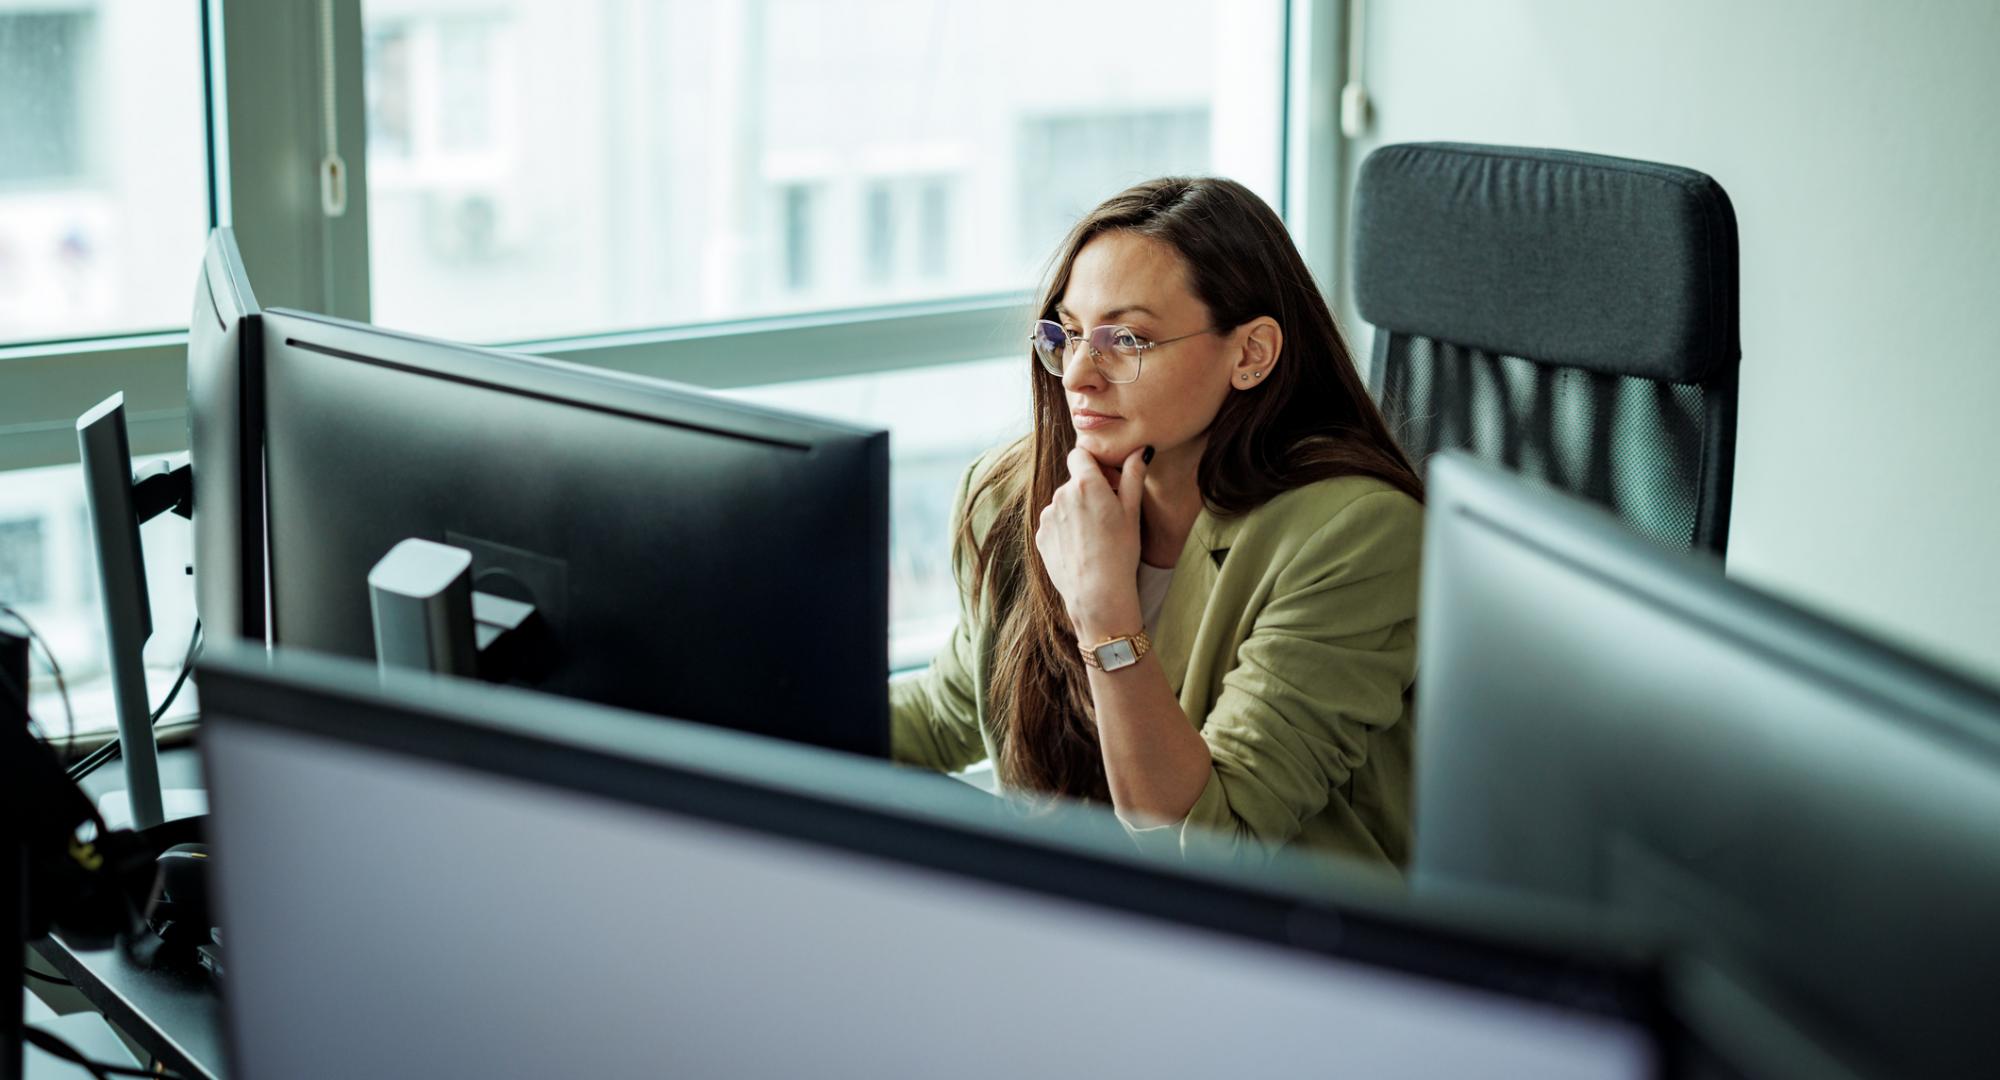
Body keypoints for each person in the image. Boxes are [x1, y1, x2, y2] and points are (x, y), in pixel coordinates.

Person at [891, 177, 1424, 870]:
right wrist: (740, 703)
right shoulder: (1017, 496)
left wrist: (1104, 610)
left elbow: (1211, 843)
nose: (1078, 374)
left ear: (1251, 354)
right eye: (1070, 334)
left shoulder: (1355, 536)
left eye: (1129, 339)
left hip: (1279, 946)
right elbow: (947, 713)